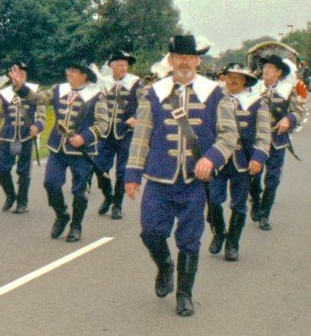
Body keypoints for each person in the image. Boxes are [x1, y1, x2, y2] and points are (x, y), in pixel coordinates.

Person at [124, 35, 237, 317]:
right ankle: (165, 265)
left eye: (189, 57)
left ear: (197, 60)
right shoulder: (154, 92)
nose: (184, 62)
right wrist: (133, 173)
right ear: (171, 60)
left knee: (189, 238)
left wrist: (211, 158)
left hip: (193, 182)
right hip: (159, 177)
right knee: (151, 232)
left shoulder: (215, 93)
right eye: (178, 57)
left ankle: (184, 294)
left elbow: (228, 135)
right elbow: (141, 136)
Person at [8, 60, 109, 242]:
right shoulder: (58, 89)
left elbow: (103, 124)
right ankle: (62, 214)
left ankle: (76, 225)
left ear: (84, 76)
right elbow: (37, 98)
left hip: (82, 152)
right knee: (50, 183)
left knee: (79, 190)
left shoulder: (97, 95)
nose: (68, 73)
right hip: (57, 147)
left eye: (73, 70)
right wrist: (20, 86)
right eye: (68, 69)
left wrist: (84, 137)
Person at [208, 63, 270, 260]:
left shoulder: (257, 102)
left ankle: (232, 243)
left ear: (245, 81)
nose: (233, 80)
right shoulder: (214, 99)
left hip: (243, 160)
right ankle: (219, 232)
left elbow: (264, 135)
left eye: (238, 77)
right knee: (213, 200)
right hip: (218, 160)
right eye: (230, 76)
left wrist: (258, 157)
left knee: (239, 205)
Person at [248, 54, 303, 230]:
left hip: (277, 141)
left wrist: (288, 119)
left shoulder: (287, 90)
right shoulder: (253, 88)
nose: (266, 70)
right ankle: (255, 201)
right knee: (253, 176)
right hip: (256, 141)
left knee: (272, 179)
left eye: (270, 67)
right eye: (265, 67)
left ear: (279, 72)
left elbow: (298, 112)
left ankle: (264, 214)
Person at [94, 50, 142, 220]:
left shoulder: (136, 82)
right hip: (105, 133)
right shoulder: (103, 83)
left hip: (125, 133)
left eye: (125, 65)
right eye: (120, 65)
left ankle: (117, 205)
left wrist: (135, 116)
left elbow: (144, 104)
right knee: (99, 166)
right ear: (111, 67)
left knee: (122, 171)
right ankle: (108, 196)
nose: (123, 68)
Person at [0, 62, 46, 214]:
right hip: (7, 136)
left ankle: (22, 202)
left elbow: (42, 115)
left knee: (24, 171)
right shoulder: (4, 93)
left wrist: (38, 126)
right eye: (17, 72)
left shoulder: (35, 91)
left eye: (23, 72)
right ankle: (10, 195)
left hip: (26, 136)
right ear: (11, 75)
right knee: (2, 170)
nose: (21, 74)